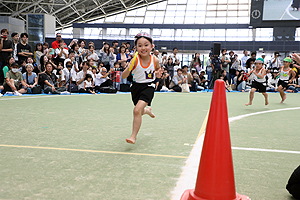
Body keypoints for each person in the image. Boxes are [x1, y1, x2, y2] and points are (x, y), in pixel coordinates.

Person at [121, 32, 161, 144]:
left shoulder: (155, 60)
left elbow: (158, 69)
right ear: (136, 48)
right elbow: (124, 76)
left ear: (152, 46)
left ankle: (133, 136)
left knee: (136, 110)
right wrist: (129, 67)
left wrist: (158, 73)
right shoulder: (135, 60)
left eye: (146, 45)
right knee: (139, 110)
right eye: (140, 45)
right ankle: (147, 111)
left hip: (149, 86)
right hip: (135, 87)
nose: (143, 48)